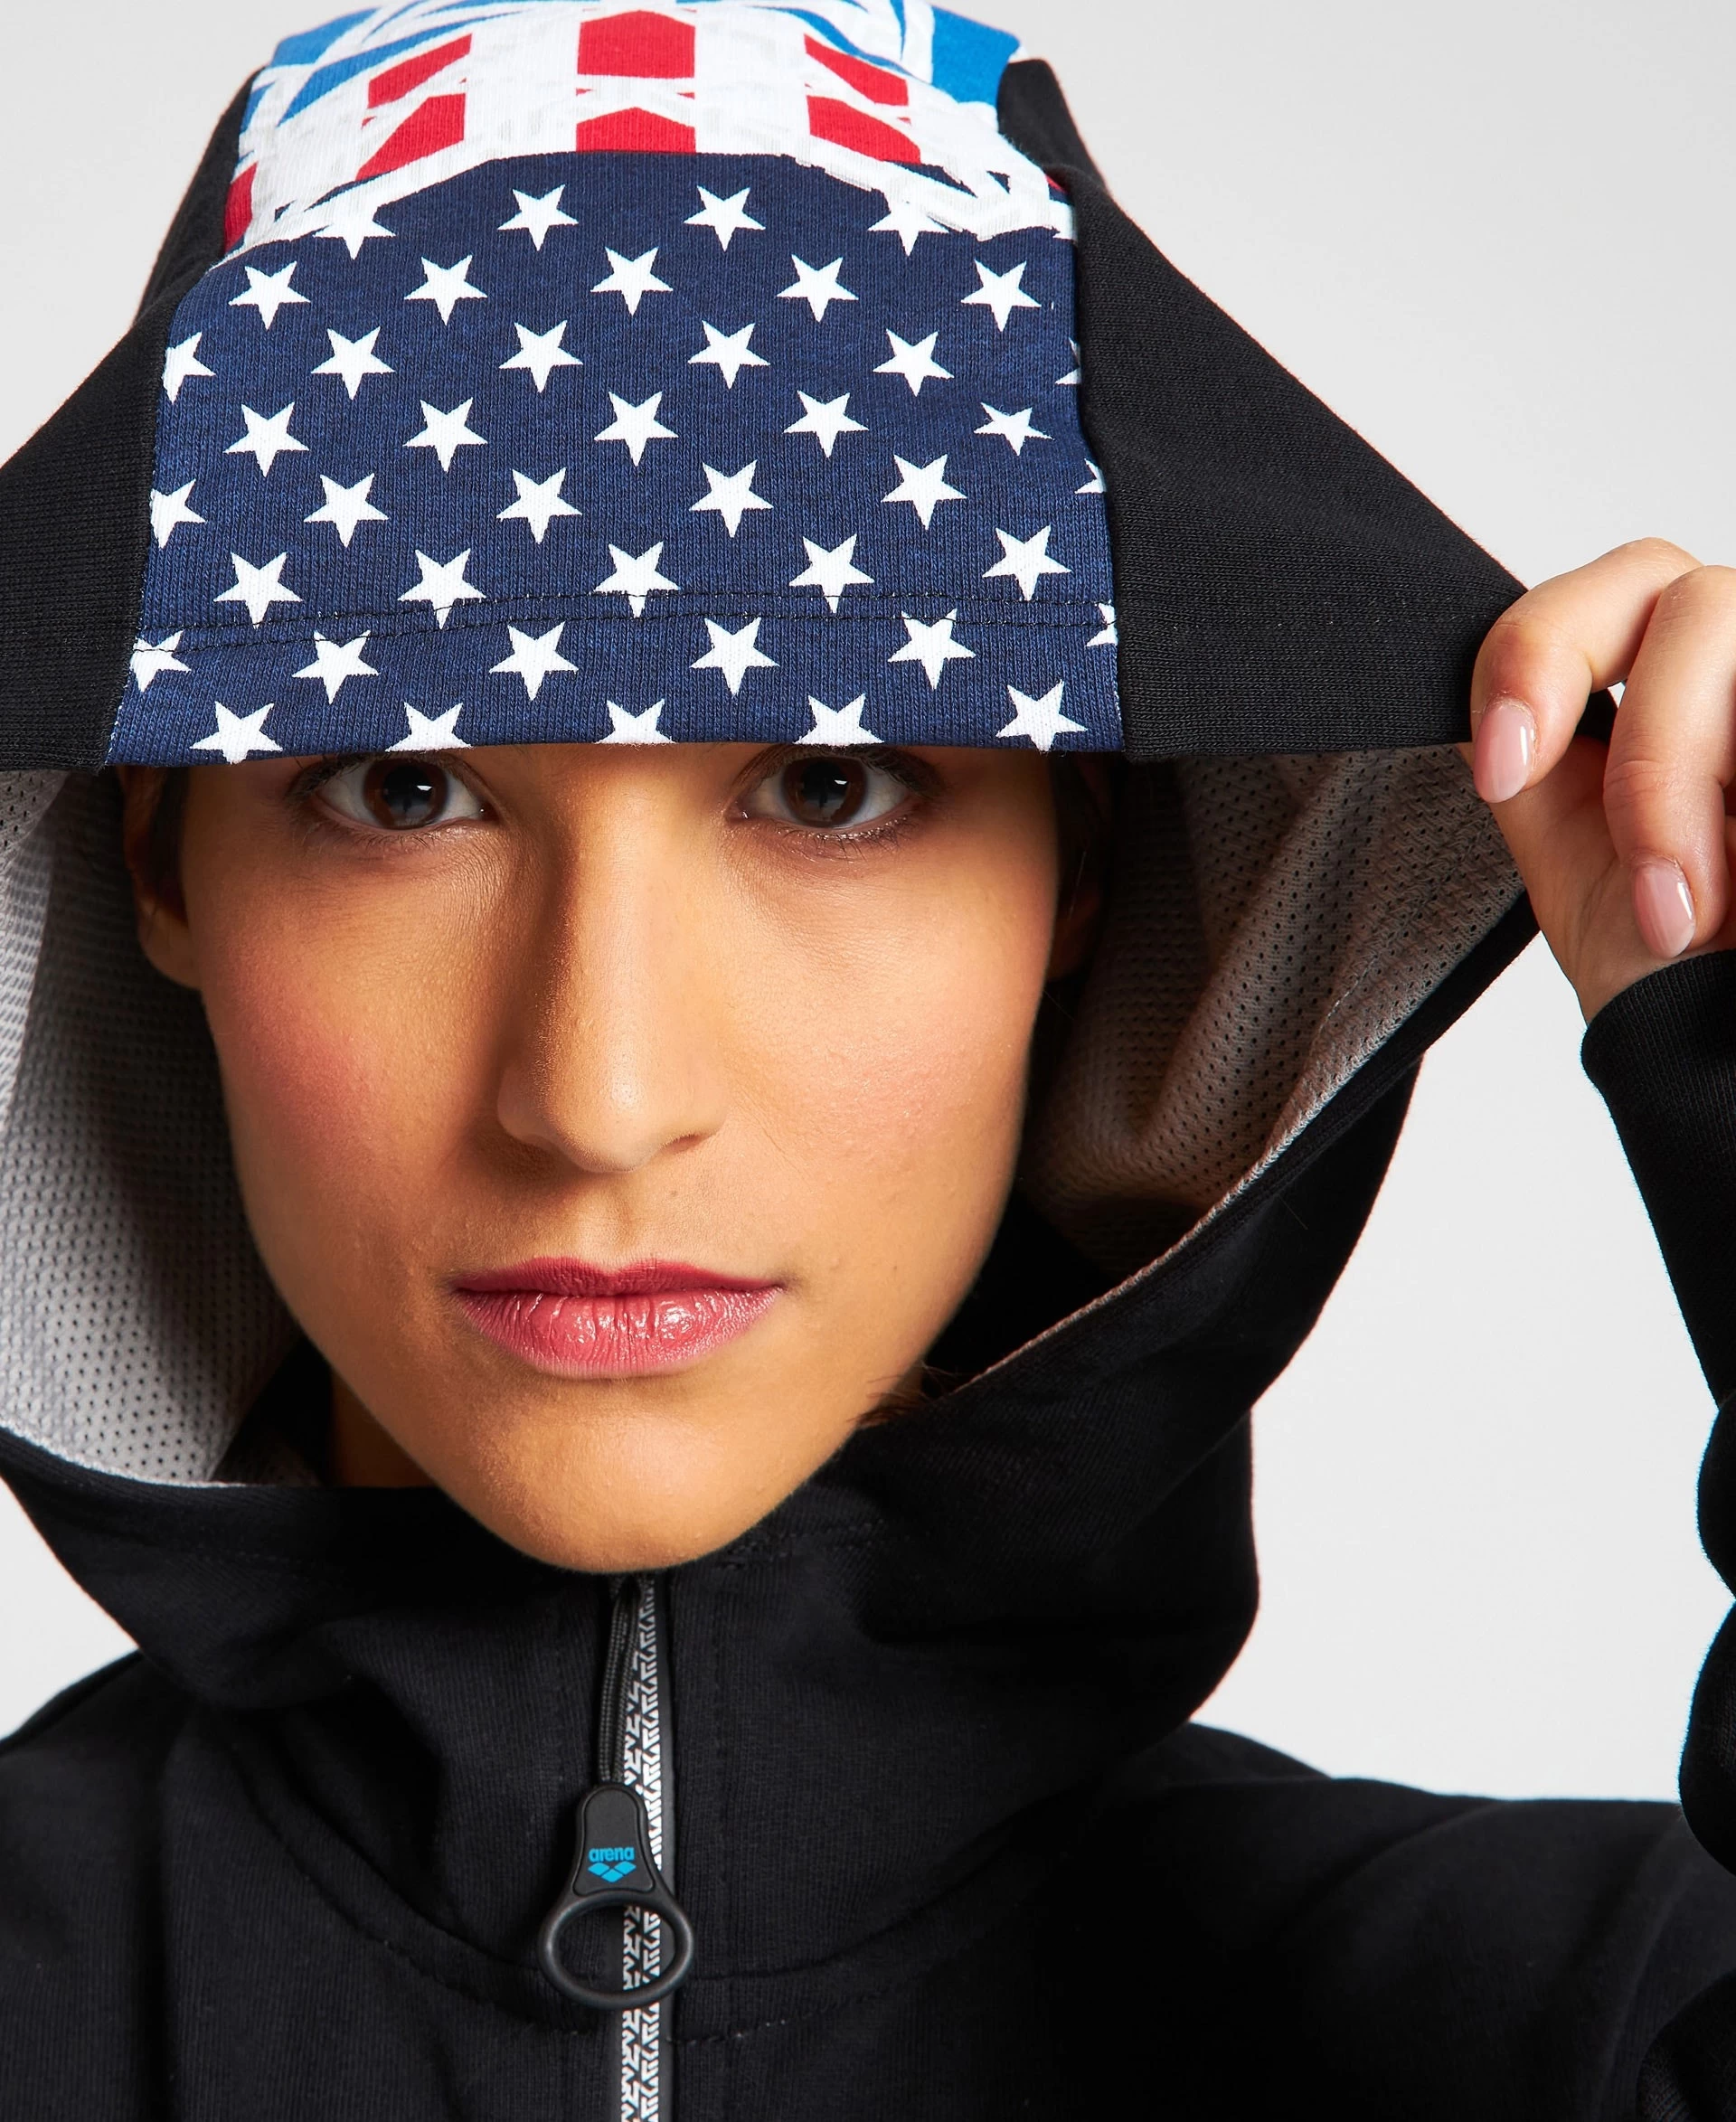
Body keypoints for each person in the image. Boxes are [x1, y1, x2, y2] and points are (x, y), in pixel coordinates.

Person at [2, 2, 1736, 2114]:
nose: (600, 1097)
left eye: (829, 785)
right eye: (403, 788)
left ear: (1082, 865)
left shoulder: (1589, 2030)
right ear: (156, 861)